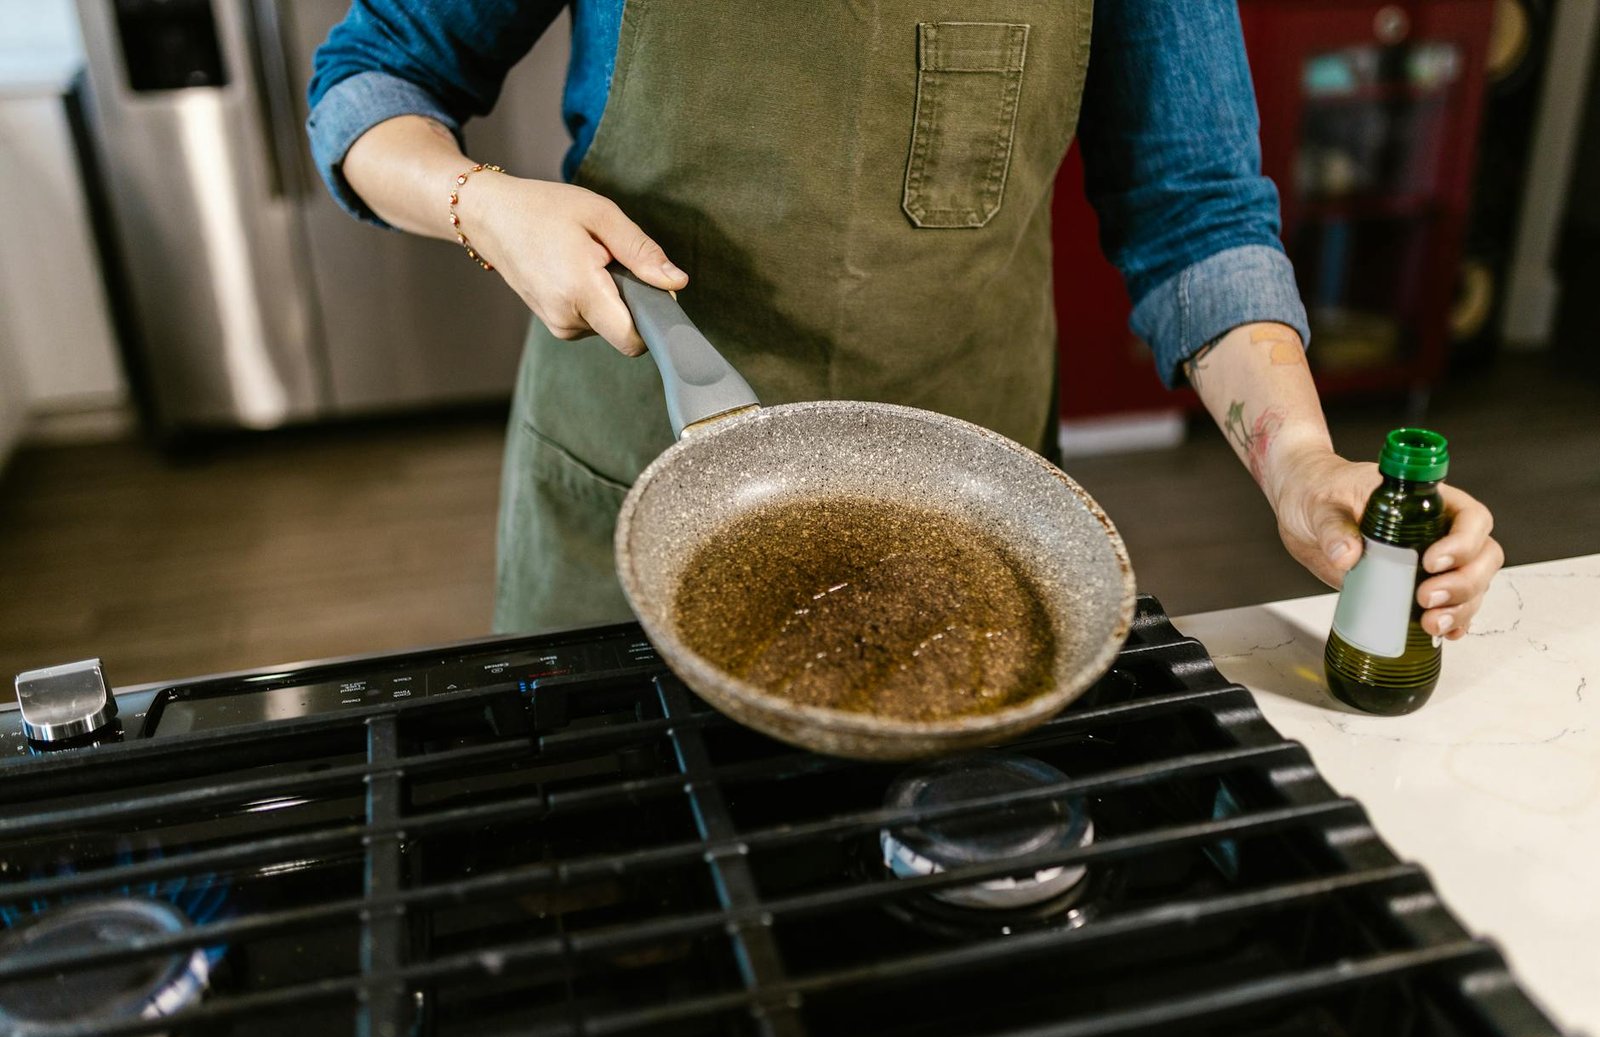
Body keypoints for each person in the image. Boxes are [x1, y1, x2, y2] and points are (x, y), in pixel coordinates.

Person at [307, 1, 1502, 637]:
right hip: (633, 490)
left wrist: (1298, 461)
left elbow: (1195, 210)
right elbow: (370, 81)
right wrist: (481, 202)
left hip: (960, 525)